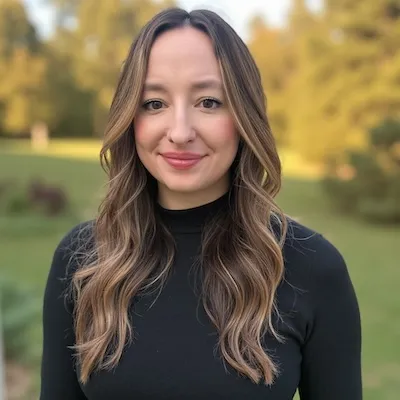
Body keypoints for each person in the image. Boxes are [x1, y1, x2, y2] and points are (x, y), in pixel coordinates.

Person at [39, 7, 362, 400]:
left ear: (244, 116)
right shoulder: (83, 261)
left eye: (208, 102)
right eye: (154, 103)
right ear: (129, 117)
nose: (179, 132)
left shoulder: (310, 267)